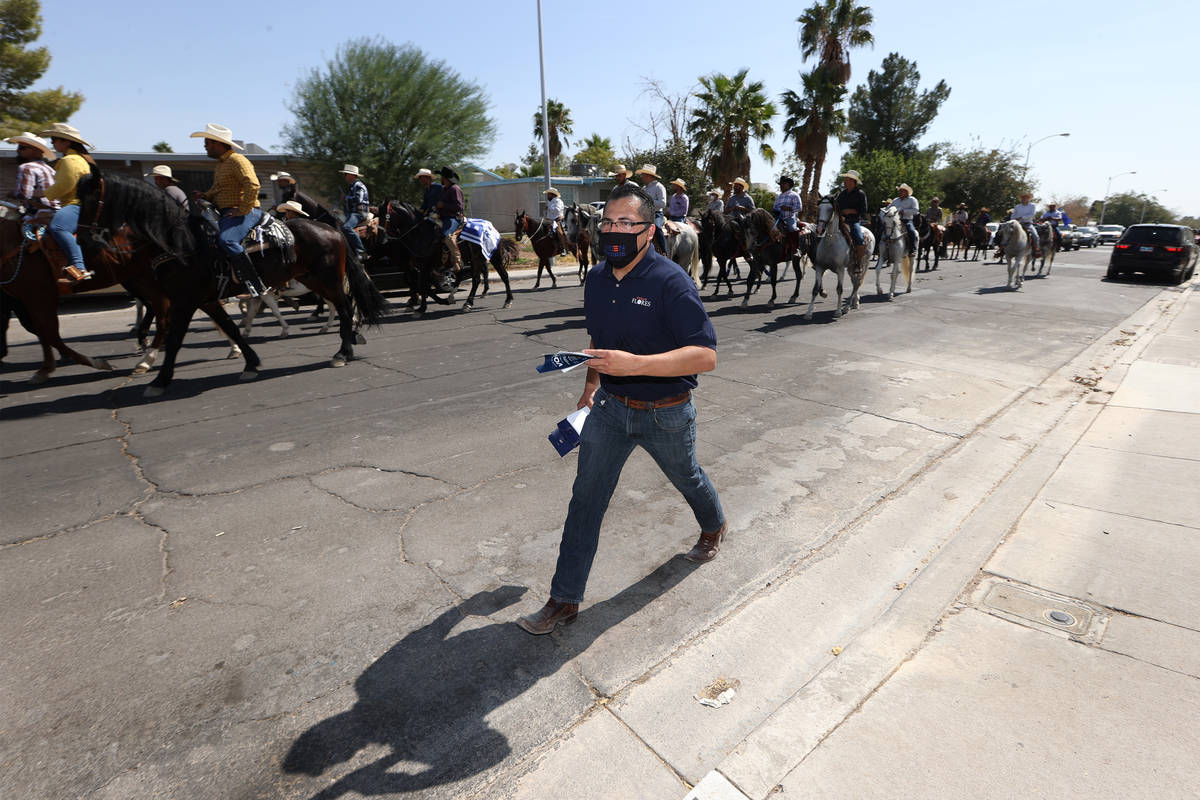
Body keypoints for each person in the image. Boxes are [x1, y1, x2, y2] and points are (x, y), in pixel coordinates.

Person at [516, 182, 726, 635]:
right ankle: (563, 599)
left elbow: (706, 356)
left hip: (665, 413)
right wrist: (592, 385)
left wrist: (638, 365)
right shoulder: (594, 278)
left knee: (687, 477)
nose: (614, 230)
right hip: (610, 409)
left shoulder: (671, 281)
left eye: (626, 223)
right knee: (585, 501)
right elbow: (599, 342)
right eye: (608, 221)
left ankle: (713, 526)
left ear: (649, 231)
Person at [189, 122, 267, 296]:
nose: (205, 147)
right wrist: (205, 196)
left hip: (245, 211)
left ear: (217, 143)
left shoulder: (237, 160)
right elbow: (218, 189)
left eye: (207, 143)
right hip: (227, 212)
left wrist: (243, 209)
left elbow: (253, 184)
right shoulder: (221, 165)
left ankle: (253, 283)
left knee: (227, 241)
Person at [36, 123, 97, 284]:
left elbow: (65, 185)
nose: (52, 143)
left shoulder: (70, 160)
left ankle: (79, 267)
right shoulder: (81, 159)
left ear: (66, 142)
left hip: (76, 204)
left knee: (58, 227)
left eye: (54, 139)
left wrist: (42, 193)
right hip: (81, 203)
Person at [6, 132, 59, 216]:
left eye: (22, 148)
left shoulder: (26, 167)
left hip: (37, 215)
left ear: (36, 150)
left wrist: (12, 194)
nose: (18, 151)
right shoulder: (50, 169)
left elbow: (24, 195)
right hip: (54, 213)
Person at [434, 166, 466, 284]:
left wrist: (444, 205)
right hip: (444, 218)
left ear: (445, 178)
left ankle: (458, 261)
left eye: (441, 176)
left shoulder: (454, 189)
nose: (440, 178)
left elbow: (459, 207)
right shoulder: (444, 189)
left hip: (455, 218)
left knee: (447, 236)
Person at [271, 171, 335, 225]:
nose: (278, 183)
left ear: (286, 181)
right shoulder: (289, 192)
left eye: (280, 181)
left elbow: (290, 207)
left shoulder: (290, 192)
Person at [834, 169, 869, 265]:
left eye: (846, 179)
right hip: (841, 221)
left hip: (854, 221)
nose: (844, 181)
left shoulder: (860, 194)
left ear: (852, 181)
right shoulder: (842, 194)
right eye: (845, 179)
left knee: (859, 240)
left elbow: (864, 210)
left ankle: (858, 263)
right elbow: (837, 207)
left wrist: (851, 211)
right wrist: (840, 214)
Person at [635, 164, 668, 253]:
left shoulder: (659, 187)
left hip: (656, 214)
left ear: (649, 176)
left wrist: (649, 200)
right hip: (644, 214)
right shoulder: (644, 188)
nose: (641, 177)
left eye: (643, 175)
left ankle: (664, 251)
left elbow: (663, 203)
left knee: (657, 228)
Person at [339, 164, 369, 258]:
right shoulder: (353, 186)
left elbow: (358, 200)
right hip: (352, 213)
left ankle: (361, 252)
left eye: (346, 174)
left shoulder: (358, 185)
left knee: (346, 228)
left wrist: (345, 198)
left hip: (359, 213)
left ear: (352, 175)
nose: (344, 176)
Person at [1008, 191, 1042, 257]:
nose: (1024, 199)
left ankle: (1036, 249)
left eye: (1026, 197)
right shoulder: (1017, 206)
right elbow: (1013, 215)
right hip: (1018, 224)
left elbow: (1032, 215)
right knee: (1007, 233)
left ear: (1029, 198)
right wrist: (1014, 219)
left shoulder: (1032, 206)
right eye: (1023, 197)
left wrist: (1021, 217)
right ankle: (1003, 249)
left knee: (1035, 235)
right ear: (1021, 198)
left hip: (1028, 224)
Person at [889, 183, 920, 254]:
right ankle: (879, 248)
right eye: (899, 191)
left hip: (907, 220)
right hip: (894, 220)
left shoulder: (912, 200)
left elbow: (916, 210)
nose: (899, 192)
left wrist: (904, 211)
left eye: (901, 191)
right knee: (883, 229)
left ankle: (912, 249)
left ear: (906, 192)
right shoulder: (895, 200)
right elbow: (889, 208)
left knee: (911, 231)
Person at [544, 186, 570, 255]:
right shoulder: (551, 202)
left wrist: (548, 207)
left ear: (552, 195)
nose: (547, 195)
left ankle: (563, 248)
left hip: (557, 221)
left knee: (559, 233)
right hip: (549, 221)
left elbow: (557, 210)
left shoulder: (558, 201)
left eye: (548, 194)